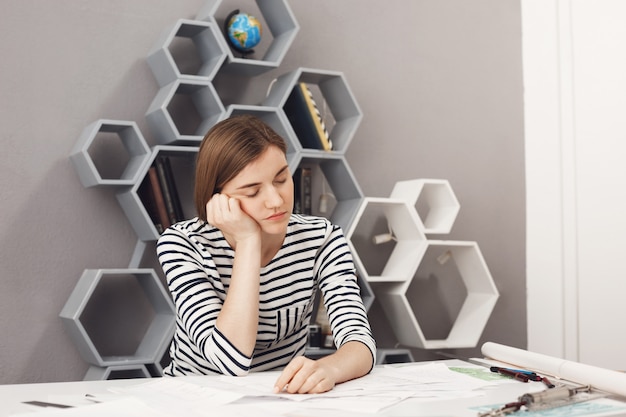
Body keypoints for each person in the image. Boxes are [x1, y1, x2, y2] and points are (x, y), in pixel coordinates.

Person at [156, 114, 376, 394]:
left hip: (280, 400)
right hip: (192, 401)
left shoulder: (322, 238)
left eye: (281, 179)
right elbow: (229, 360)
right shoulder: (182, 244)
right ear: (217, 197)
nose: (276, 201)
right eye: (252, 192)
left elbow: (361, 343)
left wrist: (329, 369)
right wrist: (248, 242)